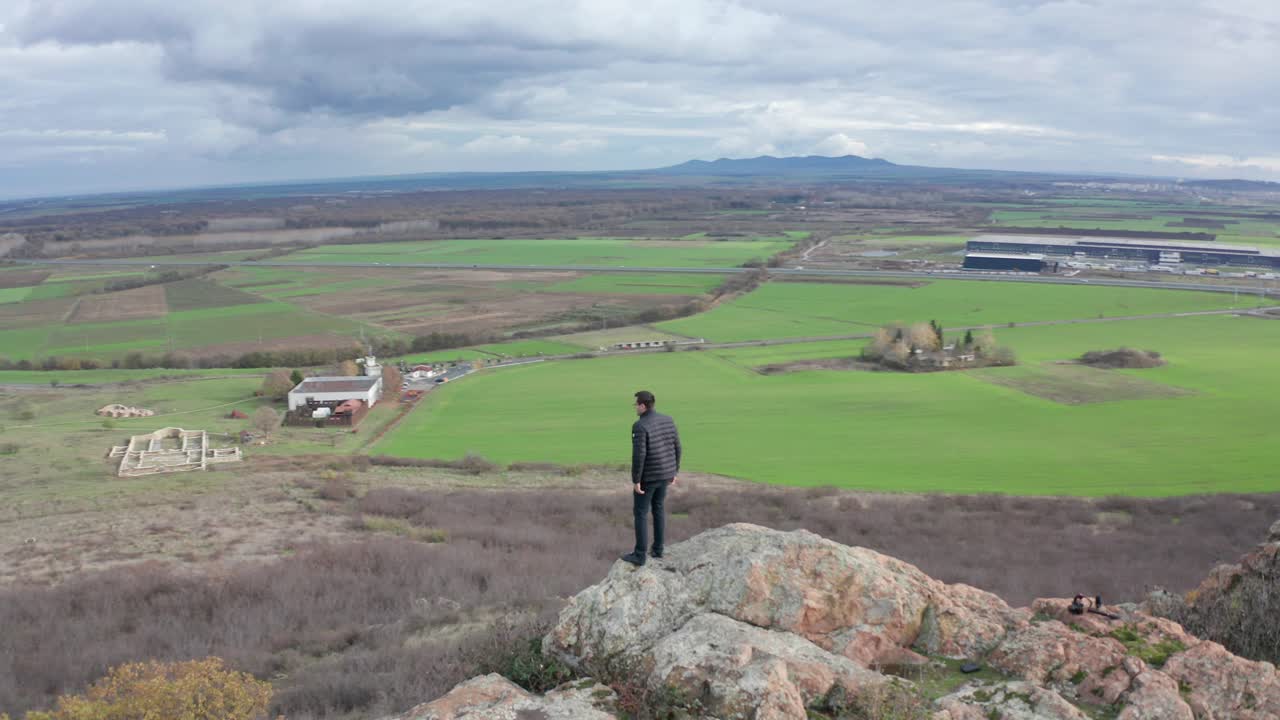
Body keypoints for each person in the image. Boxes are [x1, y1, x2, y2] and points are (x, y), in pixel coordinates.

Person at [623, 390, 682, 566]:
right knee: (658, 509)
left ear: (642, 405)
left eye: (636, 404)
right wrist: (674, 471)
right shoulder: (668, 420)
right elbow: (677, 447)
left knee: (640, 513)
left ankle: (640, 555)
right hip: (665, 474)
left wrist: (636, 480)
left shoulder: (640, 426)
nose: (635, 408)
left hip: (649, 477)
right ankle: (658, 550)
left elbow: (639, 455)